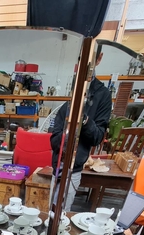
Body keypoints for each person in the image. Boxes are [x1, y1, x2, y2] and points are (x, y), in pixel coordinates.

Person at [50, 49, 112, 212]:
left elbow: (97, 137)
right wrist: (65, 132)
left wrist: (83, 120)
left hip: (74, 169)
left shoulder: (102, 95)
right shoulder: (68, 98)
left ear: (99, 58)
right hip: (56, 168)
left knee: (62, 213)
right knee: (49, 210)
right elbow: (54, 139)